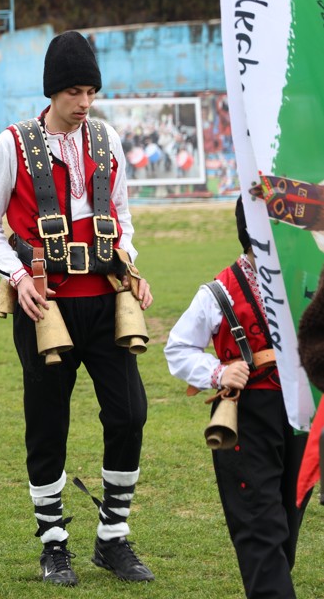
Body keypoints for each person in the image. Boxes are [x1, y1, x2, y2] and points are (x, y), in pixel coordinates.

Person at [0, 30, 155, 586]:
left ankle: (113, 538)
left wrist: (129, 264)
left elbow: (121, 216)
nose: (85, 102)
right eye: (75, 91)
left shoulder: (107, 138)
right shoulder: (12, 144)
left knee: (130, 413)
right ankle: (53, 545)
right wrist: (18, 277)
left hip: (106, 301)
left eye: (91, 92)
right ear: (52, 91)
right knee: (48, 424)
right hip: (44, 307)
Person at [165, 200, 308, 599]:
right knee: (260, 524)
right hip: (246, 418)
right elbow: (178, 348)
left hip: (301, 414)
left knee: (287, 520)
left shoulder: (307, 278)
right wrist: (218, 373)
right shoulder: (220, 290)